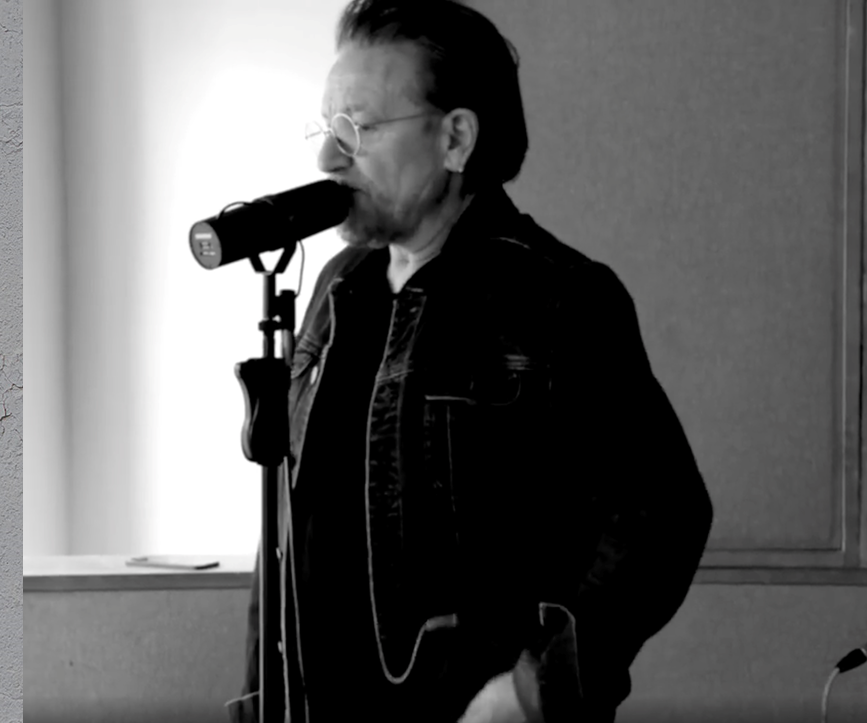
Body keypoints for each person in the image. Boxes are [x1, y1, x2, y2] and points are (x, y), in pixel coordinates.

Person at [228, 2, 713, 722]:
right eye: (326, 129)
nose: (328, 159)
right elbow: (290, 528)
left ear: (455, 138)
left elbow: (662, 514)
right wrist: (257, 698)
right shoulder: (335, 291)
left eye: (356, 128)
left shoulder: (560, 297)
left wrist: (533, 692)